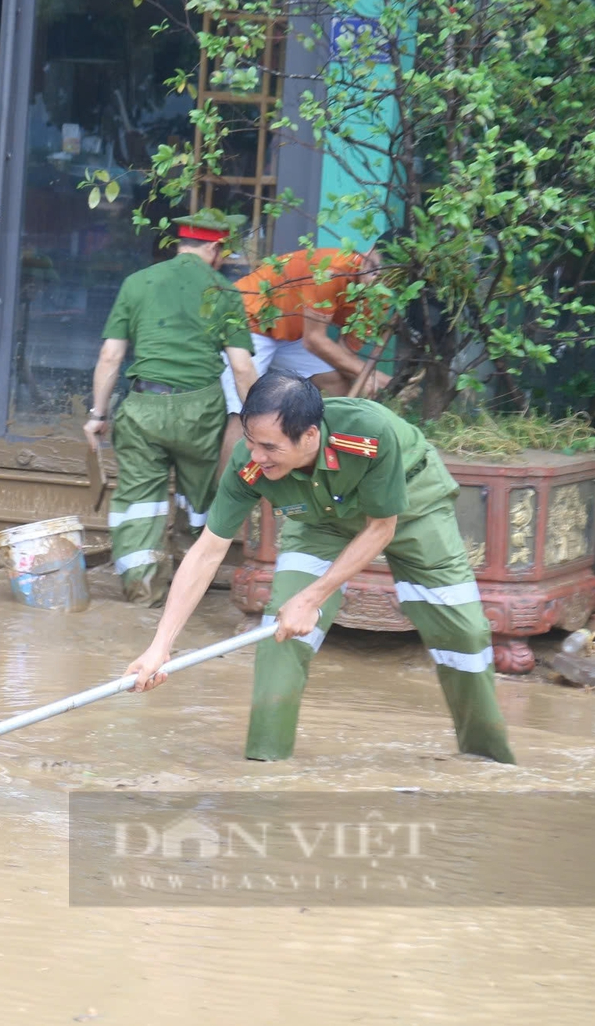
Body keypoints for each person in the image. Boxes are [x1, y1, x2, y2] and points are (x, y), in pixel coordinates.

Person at [123, 374, 515, 764]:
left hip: (412, 507)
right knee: (281, 633)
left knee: (463, 632)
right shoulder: (251, 462)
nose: (255, 456)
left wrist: (311, 597)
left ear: (310, 436)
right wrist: (160, 648)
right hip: (319, 520)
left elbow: (381, 528)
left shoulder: (368, 434)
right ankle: (265, 766)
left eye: (269, 447)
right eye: (250, 441)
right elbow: (208, 551)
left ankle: (487, 763)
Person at [85, 208, 259, 606]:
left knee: (139, 503)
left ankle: (142, 594)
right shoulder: (224, 293)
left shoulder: (137, 283)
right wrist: (259, 421)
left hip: (144, 405)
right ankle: (190, 586)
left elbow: (111, 357)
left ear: (180, 244)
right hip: (200, 410)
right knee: (199, 499)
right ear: (214, 249)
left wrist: (98, 416)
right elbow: (242, 368)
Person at [222, 241, 391, 406]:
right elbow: (313, 340)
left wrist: (368, 381)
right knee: (246, 407)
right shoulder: (331, 270)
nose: (371, 276)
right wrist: (370, 375)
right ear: (368, 251)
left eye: (380, 274)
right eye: (371, 265)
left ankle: (337, 433)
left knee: (337, 382)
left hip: (291, 334)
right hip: (251, 317)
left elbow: (345, 355)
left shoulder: (380, 299)